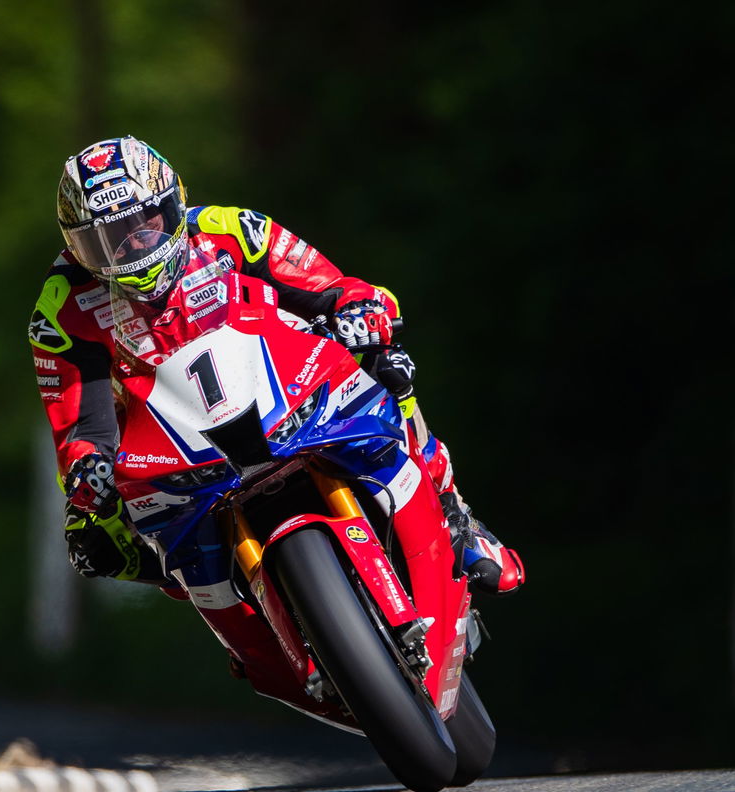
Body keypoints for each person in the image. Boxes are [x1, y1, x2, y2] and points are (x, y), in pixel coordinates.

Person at [29, 136, 524, 599]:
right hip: (172, 446)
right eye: (108, 239)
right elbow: (79, 424)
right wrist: (87, 478)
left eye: (145, 225)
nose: (134, 248)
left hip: (289, 387)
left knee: (385, 362)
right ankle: (234, 619)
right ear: (75, 246)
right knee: (96, 540)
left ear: (174, 205)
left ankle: (451, 509)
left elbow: (334, 288)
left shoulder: (230, 230)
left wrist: (359, 311)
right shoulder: (60, 309)